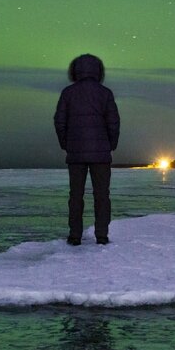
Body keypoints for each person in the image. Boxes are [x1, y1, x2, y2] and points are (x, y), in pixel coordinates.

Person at [54, 54, 120, 246]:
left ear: (75, 70)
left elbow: (60, 121)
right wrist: (110, 144)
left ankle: (75, 235)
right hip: (101, 153)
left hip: (75, 153)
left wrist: (66, 143)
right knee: (102, 195)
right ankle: (102, 235)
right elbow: (113, 122)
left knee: (75, 195)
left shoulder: (68, 93)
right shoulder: (105, 93)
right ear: (98, 70)